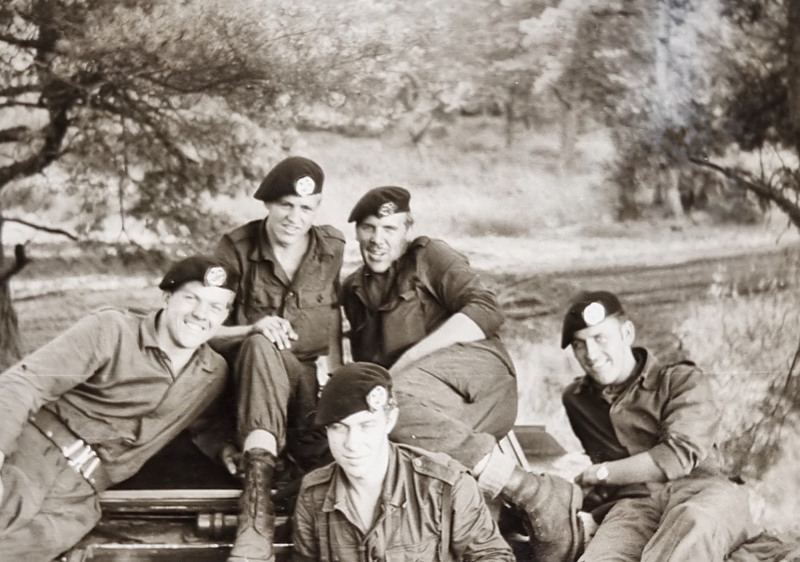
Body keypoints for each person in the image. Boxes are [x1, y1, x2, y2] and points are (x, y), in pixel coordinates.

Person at [341, 186, 584, 562]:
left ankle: (532, 492)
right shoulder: (354, 289)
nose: (377, 239)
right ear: (357, 231)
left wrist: (404, 365)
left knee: (387, 404)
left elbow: (486, 310)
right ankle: (505, 513)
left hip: (477, 375)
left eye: (389, 228)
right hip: (431, 409)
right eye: (368, 228)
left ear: (407, 229)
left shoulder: (429, 257)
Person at [0, 255, 237, 562]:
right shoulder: (112, 330)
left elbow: (205, 426)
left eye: (216, 307)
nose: (201, 314)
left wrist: (224, 449)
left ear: (225, 315)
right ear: (167, 298)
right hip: (35, 457)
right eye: (191, 298)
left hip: (79, 499)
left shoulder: (213, 374)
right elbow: (23, 383)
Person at [212, 156, 345, 562]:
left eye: (306, 207)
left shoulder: (331, 248)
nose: (294, 217)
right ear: (268, 204)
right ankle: (256, 514)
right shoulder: (236, 249)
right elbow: (206, 330)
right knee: (260, 346)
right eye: (286, 205)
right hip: (244, 386)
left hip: (302, 389)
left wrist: (338, 389)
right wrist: (252, 328)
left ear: (316, 208)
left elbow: (333, 318)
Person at [560, 290, 755, 562]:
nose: (591, 354)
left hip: (701, 492)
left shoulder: (682, 381)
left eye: (600, 338)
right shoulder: (577, 399)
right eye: (579, 344)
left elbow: (676, 456)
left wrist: (600, 473)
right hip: (633, 507)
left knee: (693, 530)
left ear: (627, 333)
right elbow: (603, 463)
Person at [292, 361, 516, 562]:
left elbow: (492, 556)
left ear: (390, 420)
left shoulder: (445, 486)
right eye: (339, 428)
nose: (352, 443)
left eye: (366, 426)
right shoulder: (314, 493)